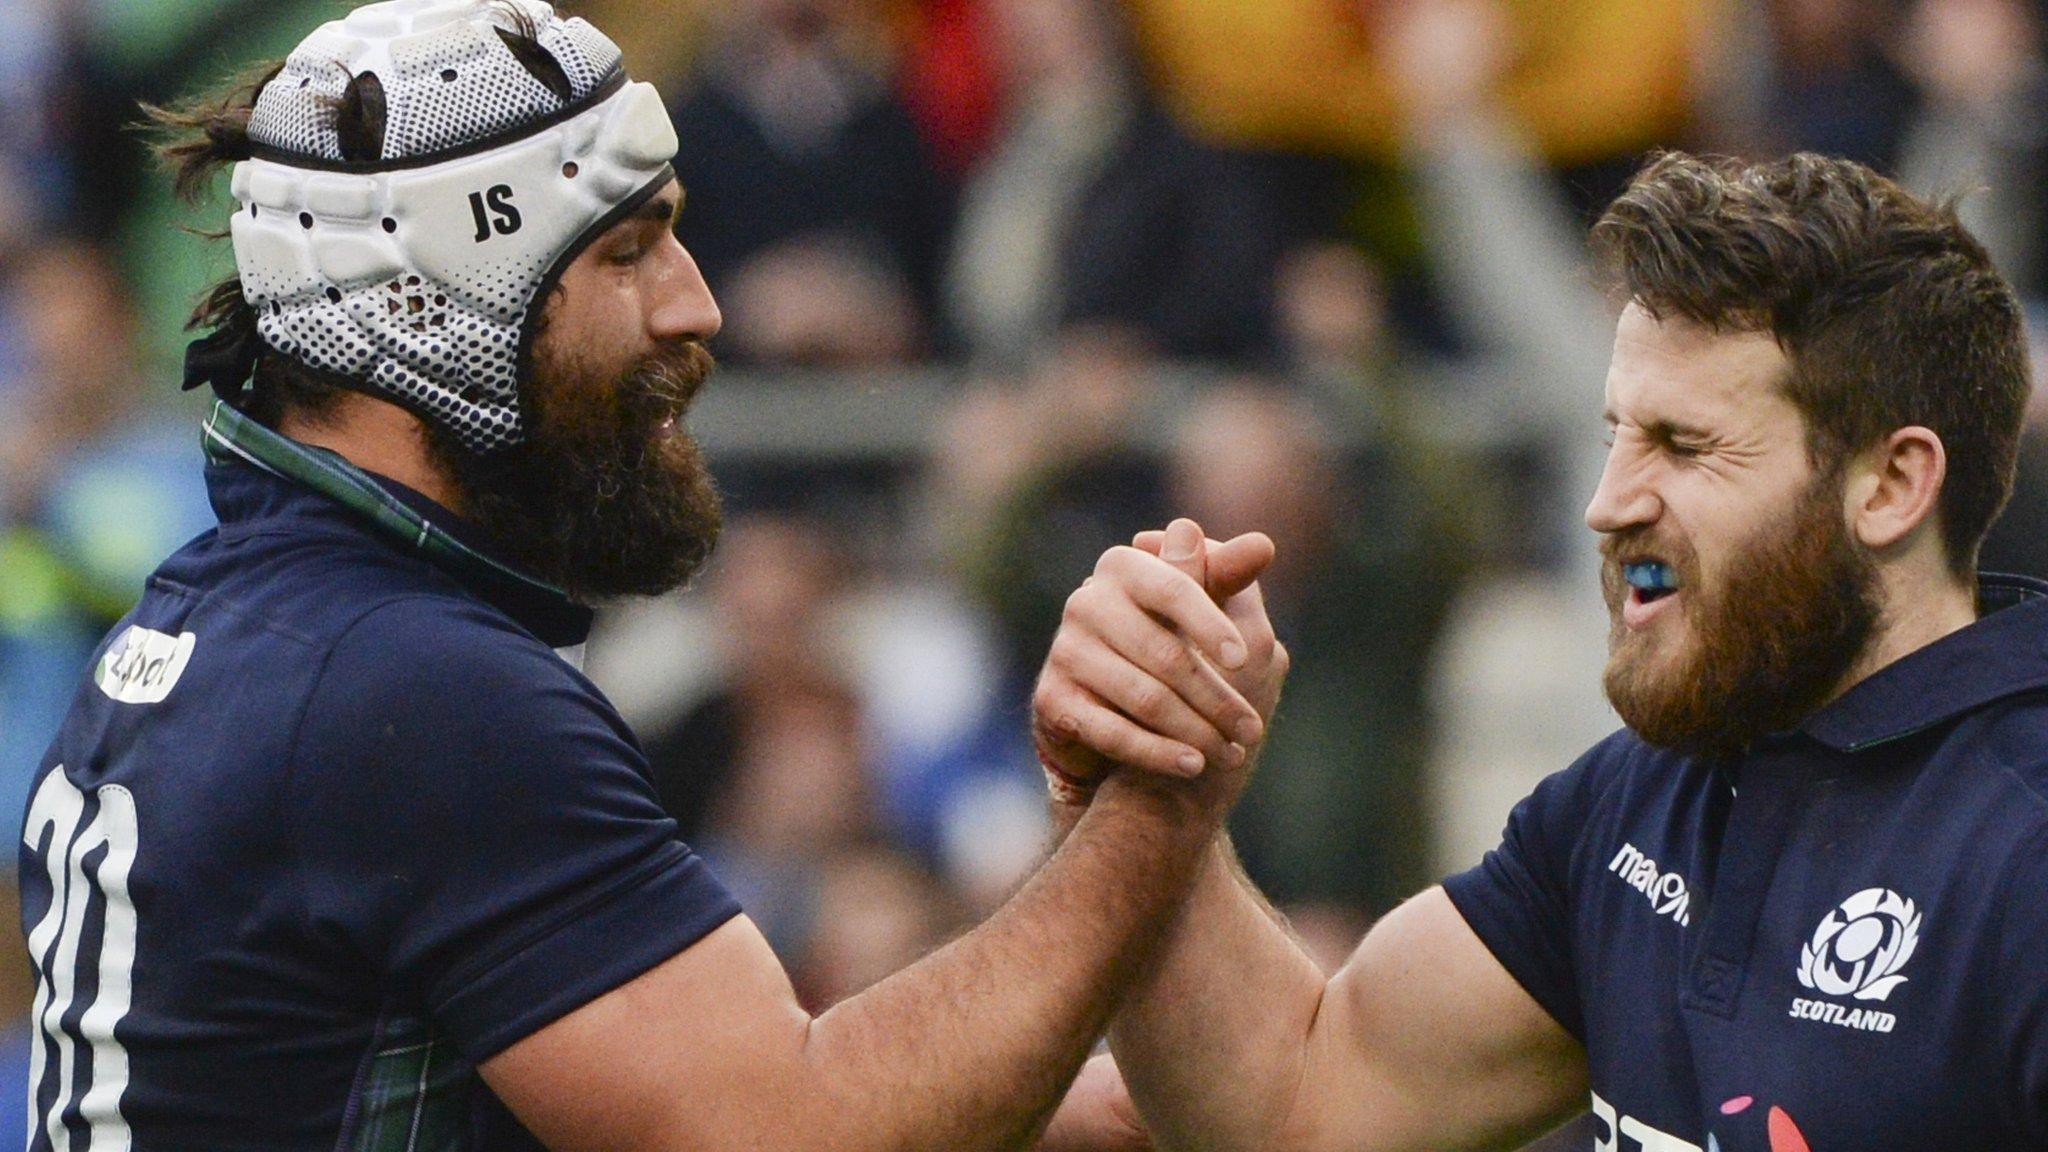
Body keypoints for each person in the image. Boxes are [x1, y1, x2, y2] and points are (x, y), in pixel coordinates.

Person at [17, 3, 1272, 1149]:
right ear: (419, 310)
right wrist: (1154, 797)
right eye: (628, 251)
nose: (697, 306)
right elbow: (791, 1134)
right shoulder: (414, 686)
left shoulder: (239, 625)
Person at [1032, 151, 2047, 1150]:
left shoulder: (2020, 855)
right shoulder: (1634, 799)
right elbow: (1295, 1105)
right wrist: (1156, 780)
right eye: (1615, 435)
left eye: (1683, 445)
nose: (1605, 506)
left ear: (1888, 486)